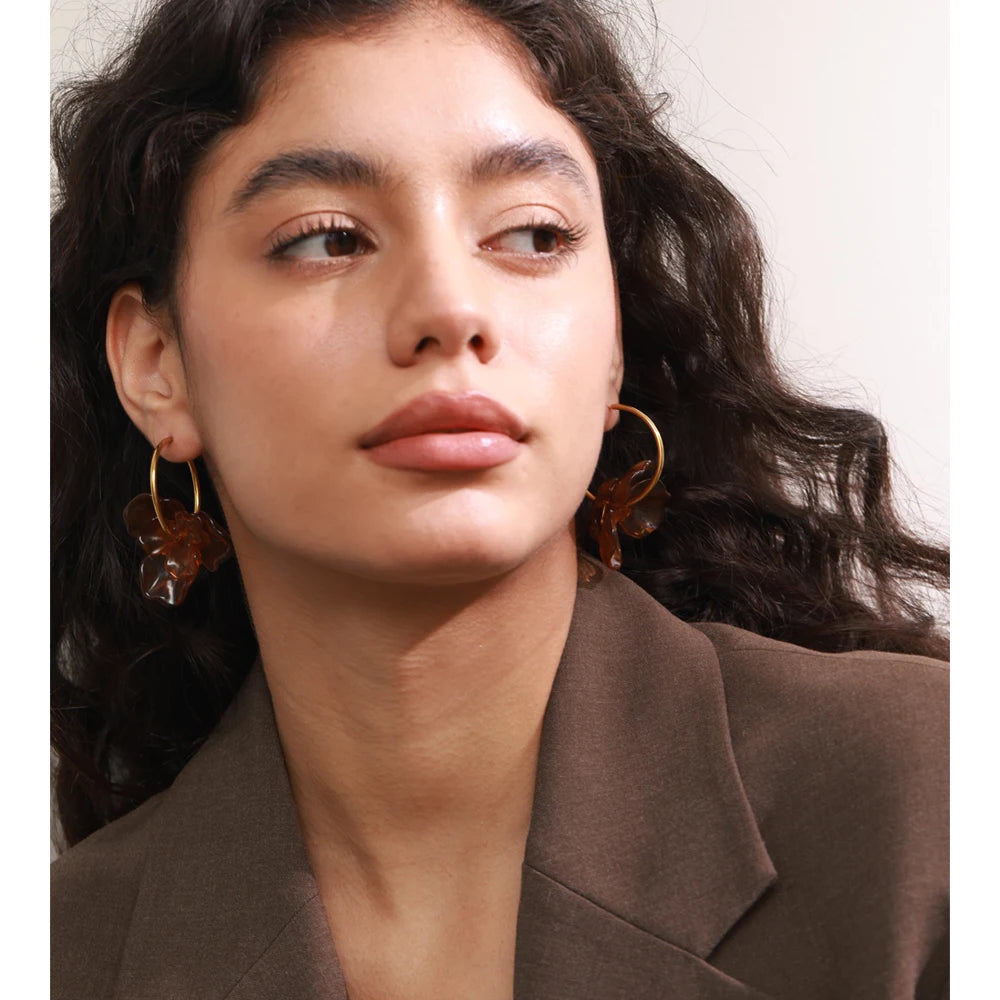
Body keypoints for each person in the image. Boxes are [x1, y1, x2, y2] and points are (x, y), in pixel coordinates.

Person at [49, 1, 949, 997]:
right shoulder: (61, 954)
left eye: (532, 232)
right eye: (327, 241)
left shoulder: (932, 799)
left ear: (613, 346)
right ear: (156, 365)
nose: (451, 308)